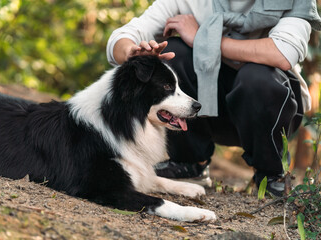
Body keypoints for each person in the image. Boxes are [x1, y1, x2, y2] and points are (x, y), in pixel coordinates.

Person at [106, 0, 321, 197]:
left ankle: (271, 174)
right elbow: (125, 35)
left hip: (271, 106)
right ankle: (189, 162)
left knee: (256, 77)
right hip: (206, 109)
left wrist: (202, 38)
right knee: (174, 53)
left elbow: (283, 53)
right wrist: (132, 53)